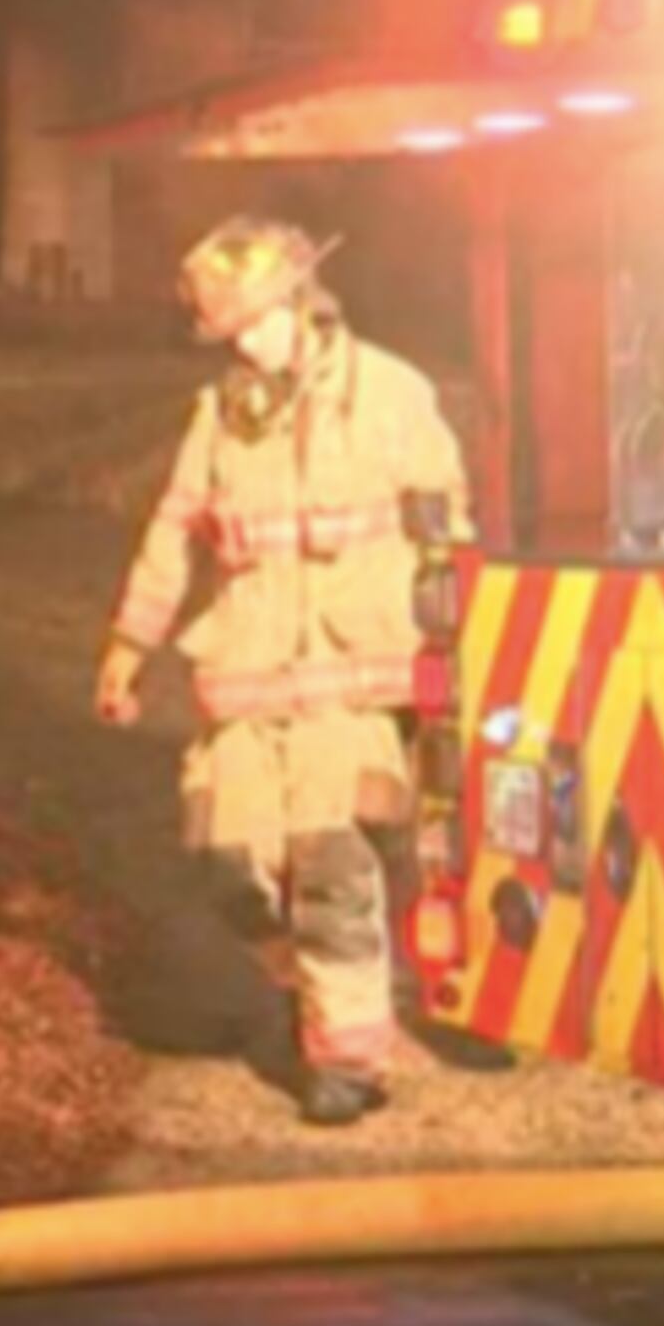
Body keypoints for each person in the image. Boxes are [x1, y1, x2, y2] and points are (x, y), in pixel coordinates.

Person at [93, 216, 473, 1127]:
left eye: (255, 324)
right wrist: (127, 647)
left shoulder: (391, 396)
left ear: (304, 303)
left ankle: (348, 1061)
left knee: (329, 865)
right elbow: (173, 531)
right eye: (229, 333)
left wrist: (451, 659)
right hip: (249, 678)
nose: (245, 346)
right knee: (227, 862)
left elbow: (450, 534)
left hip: (350, 682)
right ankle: (314, 984)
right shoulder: (222, 413)